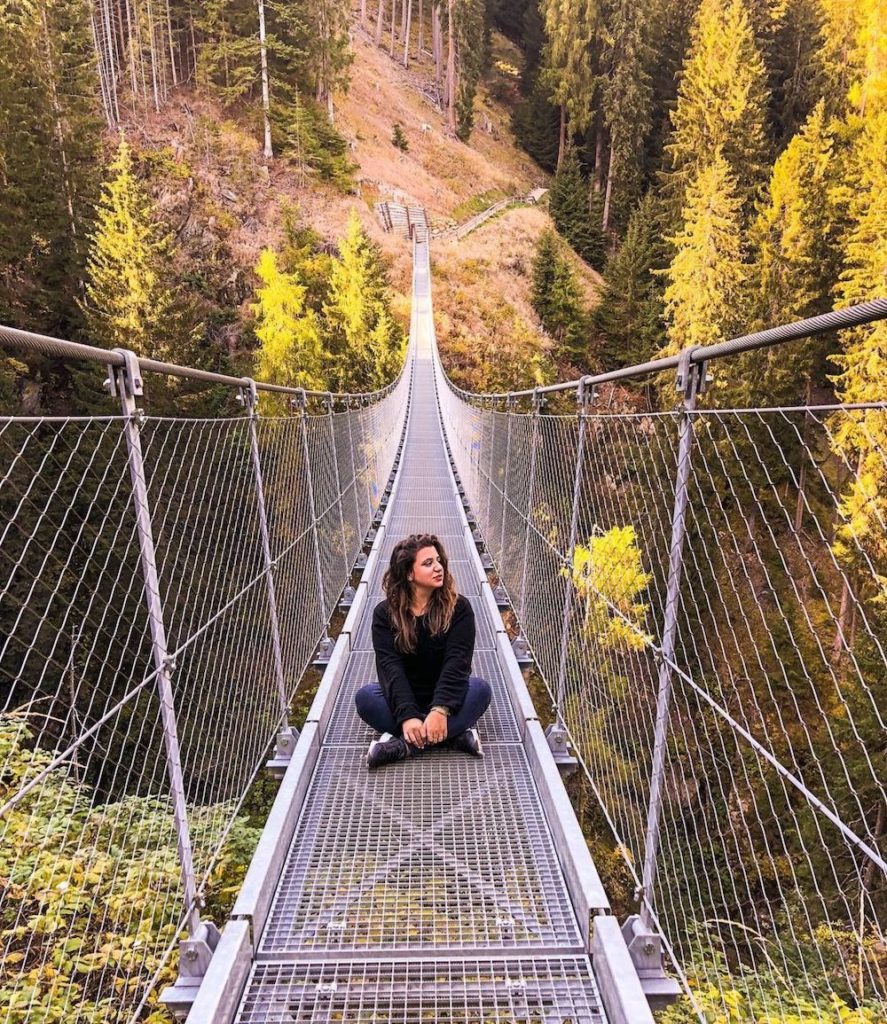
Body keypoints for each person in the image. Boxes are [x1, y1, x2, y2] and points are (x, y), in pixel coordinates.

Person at [355, 532, 492, 769]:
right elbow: (390, 668)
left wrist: (440, 710)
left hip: (448, 699)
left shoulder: (459, 608)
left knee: (480, 690)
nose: (438, 567)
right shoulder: (384, 614)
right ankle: (453, 735)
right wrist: (408, 716)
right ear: (409, 573)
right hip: (404, 697)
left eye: (438, 560)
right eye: (428, 563)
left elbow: (457, 662)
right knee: (365, 698)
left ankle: (403, 746)